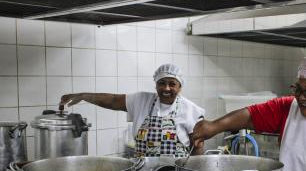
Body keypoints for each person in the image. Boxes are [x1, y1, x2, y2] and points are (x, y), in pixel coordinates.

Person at [59, 63, 205, 157]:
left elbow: (197, 149)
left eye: (172, 84)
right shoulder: (142, 100)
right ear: (155, 85)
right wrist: (84, 96)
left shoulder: (191, 110)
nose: (166, 88)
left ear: (180, 87)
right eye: (162, 83)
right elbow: (113, 100)